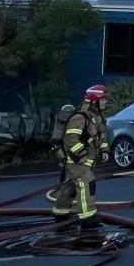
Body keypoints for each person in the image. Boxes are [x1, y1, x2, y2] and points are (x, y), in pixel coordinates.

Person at [52, 85, 110, 226]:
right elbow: (70, 139)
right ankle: (87, 217)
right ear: (94, 101)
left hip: (84, 161)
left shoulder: (97, 118)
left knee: (69, 187)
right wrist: (81, 153)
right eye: (102, 99)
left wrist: (104, 150)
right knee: (86, 183)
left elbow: (101, 137)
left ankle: (60, 212)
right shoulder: (80, 118)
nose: (105, 102)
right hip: (76, 161)